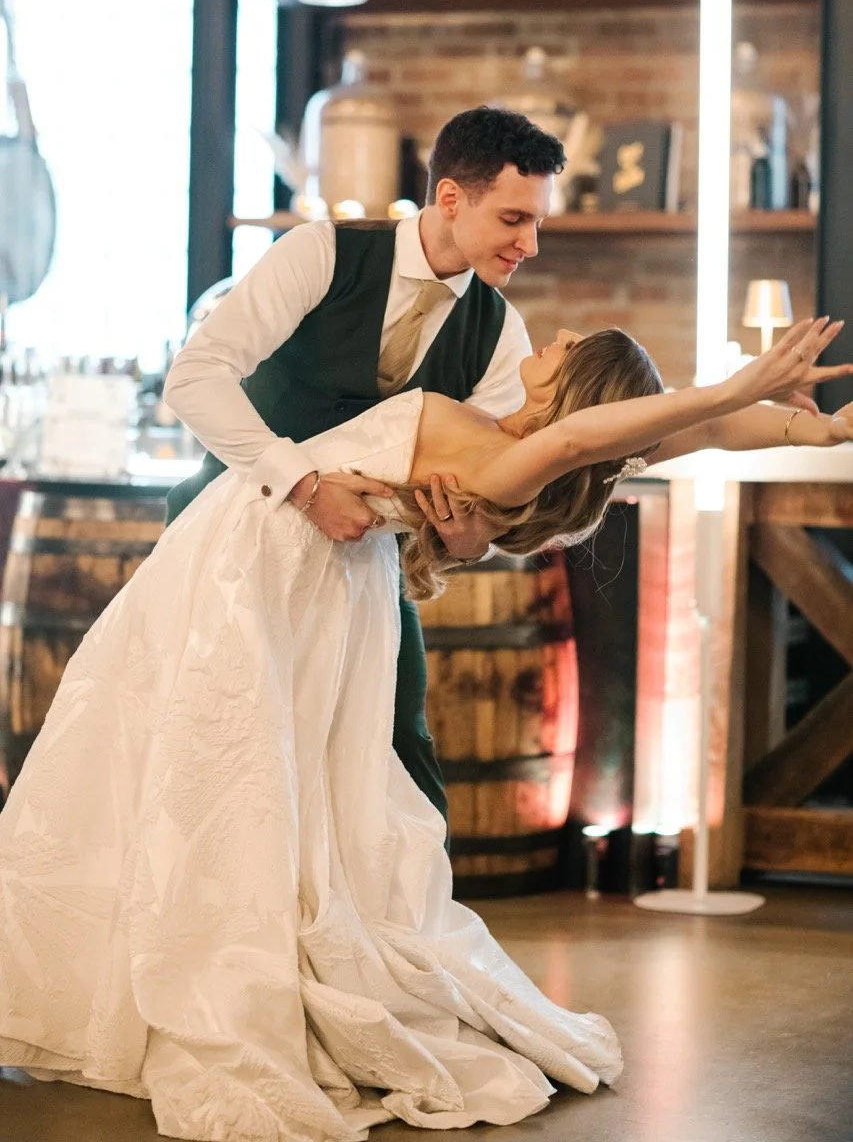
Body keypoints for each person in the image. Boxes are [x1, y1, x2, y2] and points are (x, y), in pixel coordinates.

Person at [0, 311, 850, 1142]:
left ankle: (201, 955)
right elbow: (694, 438)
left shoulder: (514, 459)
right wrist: (806, 431)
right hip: (279, 561)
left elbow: (582, 442)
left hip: (265, 569)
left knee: (230, 769)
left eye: (567, 349)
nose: (547, 338)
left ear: (579, 397)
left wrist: (735, 384)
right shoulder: (499, 436)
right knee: (175, 747)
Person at [162, 105, 567, 826]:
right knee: (221, 740)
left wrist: (466, 537)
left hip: (364, 563)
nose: (530, 244)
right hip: (228, 530)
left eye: (537, 222)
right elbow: (194, 377)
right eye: (513, 219)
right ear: (450, 197)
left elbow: (482, 495)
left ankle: (396, 927)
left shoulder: (498, 330)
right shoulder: (321, 252)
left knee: (398, 739)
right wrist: (304, 485)